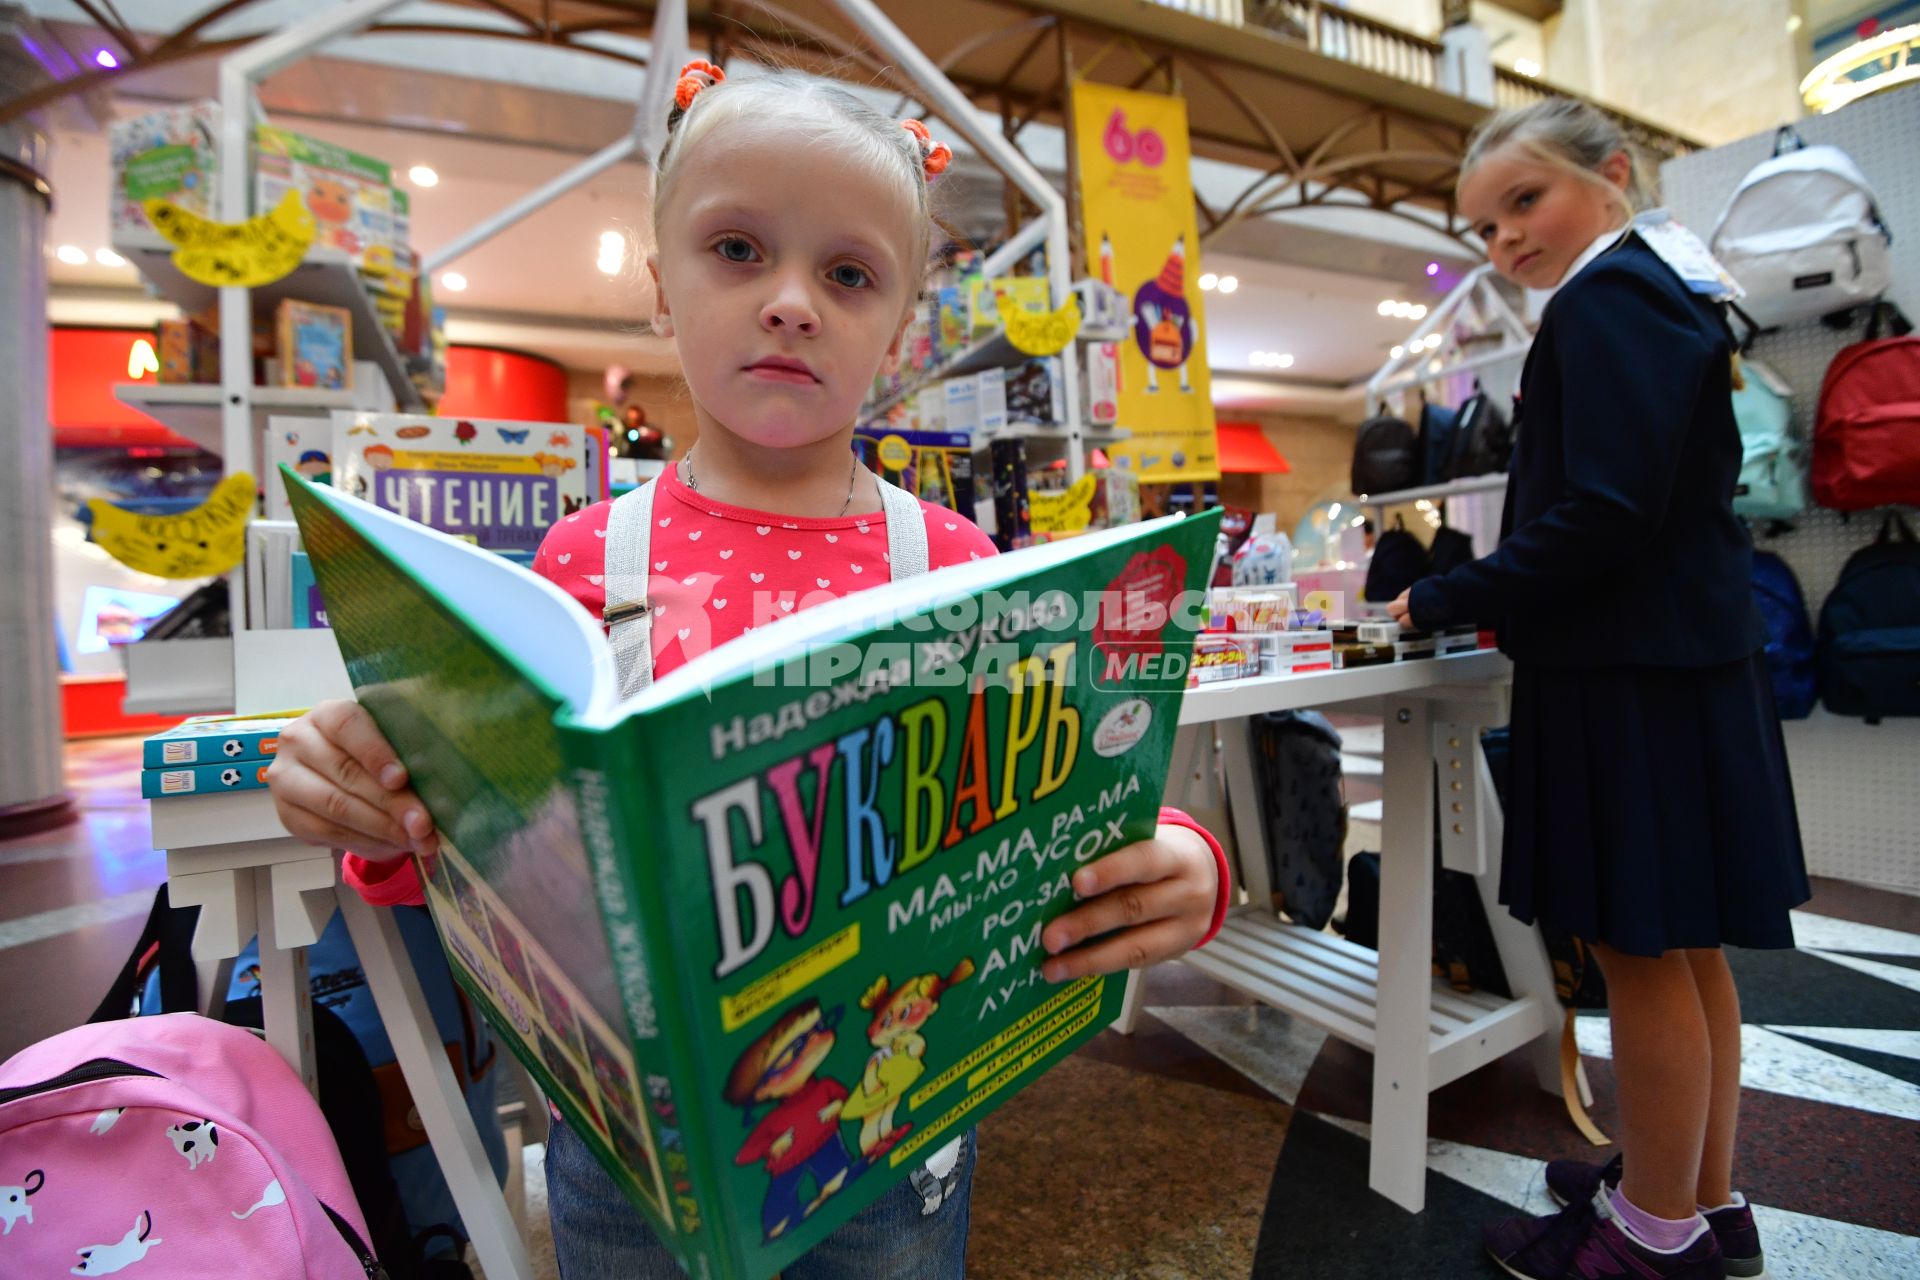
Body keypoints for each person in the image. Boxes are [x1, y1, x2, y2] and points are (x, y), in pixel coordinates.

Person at [265, 61, 1233, 1280]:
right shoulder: (580, 561)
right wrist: (370, 799)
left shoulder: (951, 560)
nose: (791, 303)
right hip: (627, 1157)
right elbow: (482, 848)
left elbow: (1047, 786)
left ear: (900, 320)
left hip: (892, 1138)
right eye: (736, 248)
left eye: (847, 273)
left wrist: (1178, 853)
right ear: (662, 288)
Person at [1389, 99, 1810, 1280]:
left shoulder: (1609, 293)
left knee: (1640, 950)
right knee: (1685, 947)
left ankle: (1653, 1233)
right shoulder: (1664, 285)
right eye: (1482, 226)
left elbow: (1608, 508)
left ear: (1614, 171)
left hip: (1631, 667)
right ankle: (1701, 1198)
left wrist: (1446, 593)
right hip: (1678, 657)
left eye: (1524, 202)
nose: (1504, 241)